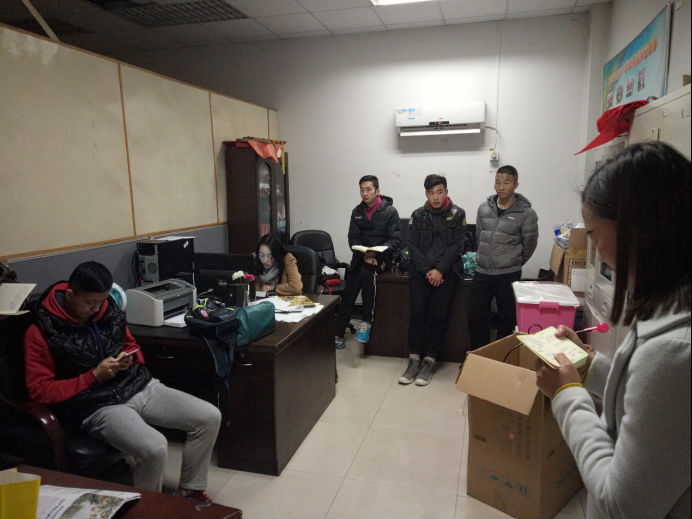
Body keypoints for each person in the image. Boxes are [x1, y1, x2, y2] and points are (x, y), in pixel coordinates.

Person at [535, 142, 691, 518]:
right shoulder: (669, 308)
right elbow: (642, 397)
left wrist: (568, 395)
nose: (597, 249)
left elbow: (619, 505)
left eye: (593, 234)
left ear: (637, 230)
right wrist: (591, 366)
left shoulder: (674, 353)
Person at [23, 262, 222, 500]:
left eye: (101, 301)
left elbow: (131, 346)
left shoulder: (108, 310)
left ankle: (190, 490)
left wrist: (130, 358)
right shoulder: (41, 332)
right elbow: (40, 391)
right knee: (155, 447)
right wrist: (93, 376)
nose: (96, 308)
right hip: (97, 405)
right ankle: (149, 510)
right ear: (70, 294)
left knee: (209, 417)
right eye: (90, 303)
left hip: (137, 385)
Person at [399, 174, 466, 386]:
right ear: (426, 194)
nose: (435, 197)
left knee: (438, 316)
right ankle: (413, 359)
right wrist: (429, 270)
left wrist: (439, 270)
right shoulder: (418, 215)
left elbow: (457, 246)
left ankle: (429, 360)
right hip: (421, 272)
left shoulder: (458, 214)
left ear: (446, 192)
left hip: (446, 273)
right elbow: (412, 246)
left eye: (439, 192)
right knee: (417, 314)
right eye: (431, 193)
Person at [468, 165, 538, 349]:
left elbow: (530, 243)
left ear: (516, 185)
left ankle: (500, 358)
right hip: (482, 272)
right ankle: (478, 357)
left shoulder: (526, 213)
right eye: (497, 182)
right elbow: (479, 236)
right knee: (476, 316)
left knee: (506, 319)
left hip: (508, 273)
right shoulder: (484, 208)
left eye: (506, 182)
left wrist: (514, 261)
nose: (501, 186)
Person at [334, 175, 401, 349]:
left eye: (368, 189)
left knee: (367, 274)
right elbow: (353, 238)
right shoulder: (357, 212)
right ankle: (338, 334)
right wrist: (364, 254)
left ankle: (366, 322)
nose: (365, 193)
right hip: (360, 258)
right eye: (362, 190)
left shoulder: (390, 212)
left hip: (381, 259)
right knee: (349, 292)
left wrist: (376, 253)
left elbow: (395, 239)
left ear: (377, 191)